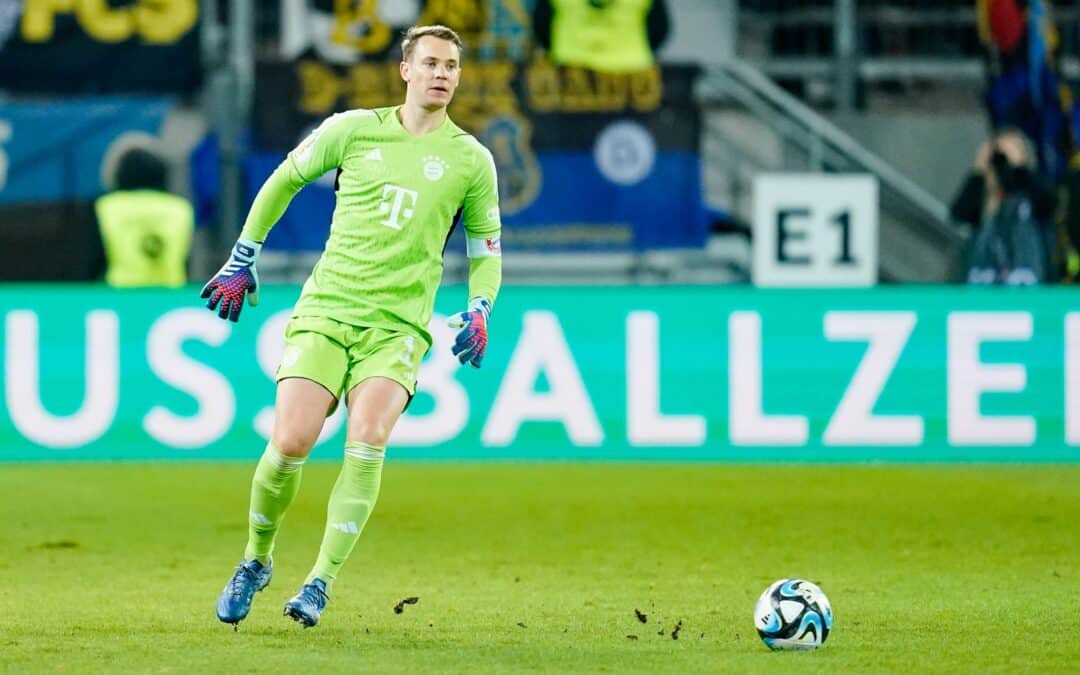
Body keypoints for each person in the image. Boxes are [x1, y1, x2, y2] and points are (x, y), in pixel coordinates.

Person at [203, 24, 503, 629]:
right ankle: (255, 561)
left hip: (397, 327)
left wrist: (480, 307)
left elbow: (486, 250)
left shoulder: (472, 160)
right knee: (290, 442)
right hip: (328, 309)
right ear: (406, 70)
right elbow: (284, 179)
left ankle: (319, 581)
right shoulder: (352, 129)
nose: (443, 74)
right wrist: (243, 255)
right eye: (432, 63)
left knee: (368, 438)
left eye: (453, 66)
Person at [949, 128, 1057, 284]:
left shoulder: (1032, 190)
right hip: (985, 283)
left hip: (1029, 283)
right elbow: (959, 214)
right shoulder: (984, 195)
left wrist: (1019, 166)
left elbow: (1049, 202)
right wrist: (979, 171)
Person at [95, 144, 194, 287]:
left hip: (120, 296)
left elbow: (95, 260)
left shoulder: (107, 207)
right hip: (170, 296)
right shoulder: (180, 208)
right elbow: (187, 259)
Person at [531, 0, 670, 73]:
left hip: (569, 60)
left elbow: (541, 19)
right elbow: (659, 26)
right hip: (630, 63)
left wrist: (552, 49)